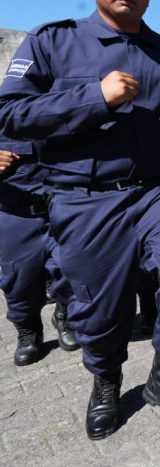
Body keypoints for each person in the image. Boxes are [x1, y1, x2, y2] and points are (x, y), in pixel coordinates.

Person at [0, 0, 160, 440]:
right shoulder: (52, 42)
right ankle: (106, 378)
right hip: (86, 199)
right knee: (100, 311)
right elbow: (10, 115)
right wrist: (93, 97)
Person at [0, 135, 79, 364]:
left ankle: (66, 316)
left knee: (70, 267)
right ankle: (28, 330)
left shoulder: (56, 100)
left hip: (62, 207)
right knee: (18, 279)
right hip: (14, 212)